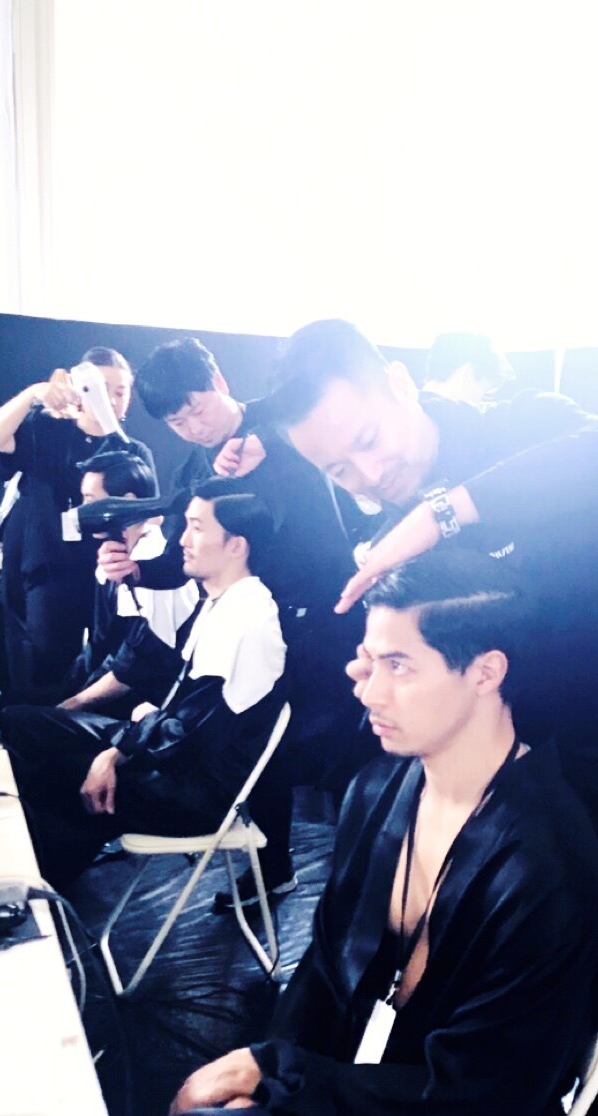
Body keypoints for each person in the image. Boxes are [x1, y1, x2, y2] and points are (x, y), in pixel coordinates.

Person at [255, 318, 598, 1116]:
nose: (367, 475)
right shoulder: (362, 491)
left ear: (400, 385)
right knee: (447, 959)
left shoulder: (520, 424)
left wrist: (435, 516)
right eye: (338, 467)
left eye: (369, 440)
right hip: (499, 757)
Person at [132, 551, 598, 1116]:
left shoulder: (544, 865)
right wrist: (270, 1082)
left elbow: (470, 1108)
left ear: (485, 672)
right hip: (363, 1104)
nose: (367, 689)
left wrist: (280, 1072)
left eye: (399, 665)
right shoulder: (379, 787)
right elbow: (322, 968)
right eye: (367, 660)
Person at [99, 337, 373, 908]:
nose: (193, 428)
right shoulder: (197, 466)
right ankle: (276, 869)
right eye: (177, 423)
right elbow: (181, 555)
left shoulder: (285, 431)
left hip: (328, 618)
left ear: (220, 382)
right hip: (265, 624)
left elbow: (325, 499)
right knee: (263, 749)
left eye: (198, 409)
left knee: (348, 754)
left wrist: (267, 448)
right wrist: (135, 571)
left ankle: (363, 883)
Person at [0, 480, 285, 888]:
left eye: (197, 528)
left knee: (59, 770)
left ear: (236, 546)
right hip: (172, 750)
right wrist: (128, 738)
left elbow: (187, 737)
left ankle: (33, 887)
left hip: (193, 793)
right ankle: (38, 867)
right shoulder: (221, 602)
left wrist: (114, 755)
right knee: (24, 724)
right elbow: (183, 718)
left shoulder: (246, 623)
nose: (182, 540)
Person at [0, 346, 156, 704]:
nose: (112, 399)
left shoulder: (133, 451)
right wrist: (34, 394)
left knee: (103, 661)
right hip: (47, 566)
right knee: (42, 660)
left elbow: (149, 516)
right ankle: (36, 726)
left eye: (121, 391)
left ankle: (81, 724)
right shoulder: (46, 430)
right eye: (102, 388)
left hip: (105, 575)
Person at [60, 450, 196, 715]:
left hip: (135, 709)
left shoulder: (151, 561)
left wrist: (71, 706)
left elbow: (138, 667)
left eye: (91, 500)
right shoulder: (114, 555)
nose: (81, 510)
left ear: (126, 503)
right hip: (101, 686)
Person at [422, 330, 514, 406]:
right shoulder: (461, 417)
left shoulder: (416, 407)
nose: (480, 403)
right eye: (484, 394)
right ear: (466, 373)